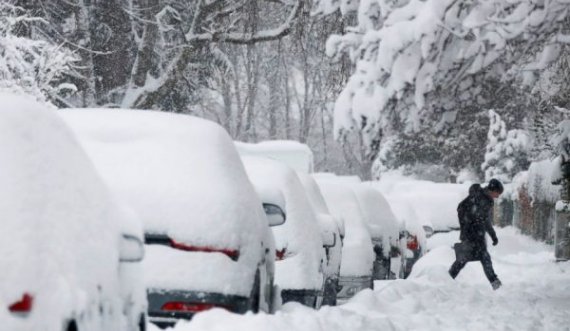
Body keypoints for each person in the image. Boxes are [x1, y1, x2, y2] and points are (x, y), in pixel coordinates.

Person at [449, 178, 504, 290]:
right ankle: (495, 282)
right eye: (497, 193)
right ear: (492, 190)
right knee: (471, 259)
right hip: (473, 235)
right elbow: (481, 219)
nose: (497, 196)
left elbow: (484, 219)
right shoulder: (482, 199)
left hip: (474, 234)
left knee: (466, 259)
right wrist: (474, 227)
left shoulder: (483, 198)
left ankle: (448, 278)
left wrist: (493, 235)